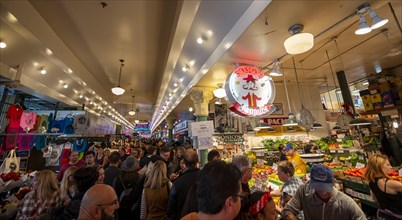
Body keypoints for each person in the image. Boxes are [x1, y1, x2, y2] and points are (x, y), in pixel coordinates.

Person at [282, 164, 366, 220]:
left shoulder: (345, 202)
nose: (323, 192)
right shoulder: (303, 191)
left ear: (333, 182)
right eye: (318, 187)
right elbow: (287, 211)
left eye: (326, 187)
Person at [167, 149, 200, 220]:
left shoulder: (177, 183)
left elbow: (171, 209)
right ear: (197, 161)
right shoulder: (206, 178)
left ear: (184, 162)